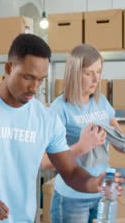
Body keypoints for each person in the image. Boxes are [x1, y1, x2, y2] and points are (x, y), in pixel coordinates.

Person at [0, 34, 123, 223]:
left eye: (41, 80)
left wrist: (94, 183)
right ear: (8, 68)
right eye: (28, 77)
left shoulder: (47, 119)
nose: (34, 87)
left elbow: (71, 172)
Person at [43, 44, 125, 223]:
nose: (96, 79)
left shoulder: (102, 102)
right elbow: (45, 162)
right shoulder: (60, 109)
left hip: (103, 192)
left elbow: (120, 144)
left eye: (99, 71)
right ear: (74, 74)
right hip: (72, 198)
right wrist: (82, 147)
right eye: (89, 73)